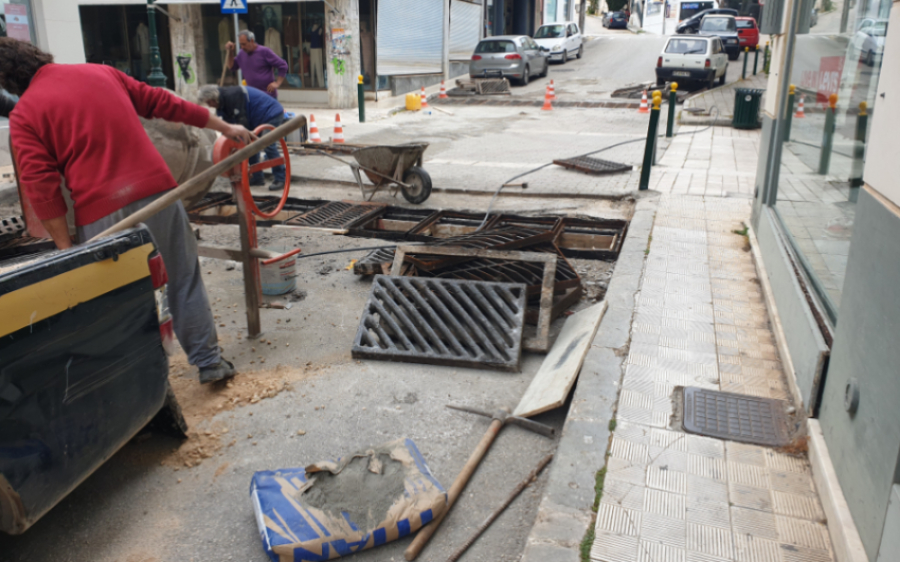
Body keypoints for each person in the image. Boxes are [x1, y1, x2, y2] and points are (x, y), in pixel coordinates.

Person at [1, 38, 255, 384]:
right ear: (38, 55)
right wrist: (225, 127)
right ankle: (209, 362)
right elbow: (164, 103)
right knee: (182, 277)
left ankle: (144, 382)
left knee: (122, 299)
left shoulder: (25, 113)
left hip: (101, 213)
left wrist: (64, 249)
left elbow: (40, 185)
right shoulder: (101, 73)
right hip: (158, 195)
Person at [197, 84, 286, 192]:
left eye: (208, 102)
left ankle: (281, 178)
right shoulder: (222, 103)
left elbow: (241, 125)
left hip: (271, 113)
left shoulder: (232, 96)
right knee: (252, 146)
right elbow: (227, 127)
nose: (209, 106)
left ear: (213, 98)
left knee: (268, 145)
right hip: (255, 118)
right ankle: (257, 178)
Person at [225, 30, 289, 99]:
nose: (242, 47)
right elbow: (231, 67)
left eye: (244, 44)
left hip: (267, 95)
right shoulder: (241, 54)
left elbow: (283, 65)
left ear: (251, 41)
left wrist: (277, 83)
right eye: (240, 44)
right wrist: (230, 52)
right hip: (252, 96)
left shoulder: (264, 52)